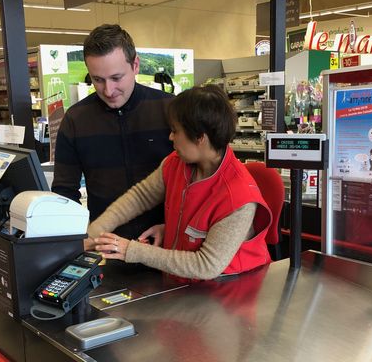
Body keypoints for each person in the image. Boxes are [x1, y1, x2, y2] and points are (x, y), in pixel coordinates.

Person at [90, 85, 273, 280]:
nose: (170, 137)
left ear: (200, 138)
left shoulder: (239, 197)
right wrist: (93, 233)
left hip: (230, 290)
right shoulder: (176, 163)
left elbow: (206, 265)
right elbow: (140, 197)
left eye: (175, 131)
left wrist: (131, 250)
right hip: (184, 286)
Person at [52, 24, 174, 240]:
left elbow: (197, 182)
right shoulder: (76, 120)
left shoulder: (171, 110)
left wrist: (171, 227)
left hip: (168, 246)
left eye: (117, 78)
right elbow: (64, 192)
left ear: (135, 65)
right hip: (106, 248)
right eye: (97, 80)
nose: (108, 90)